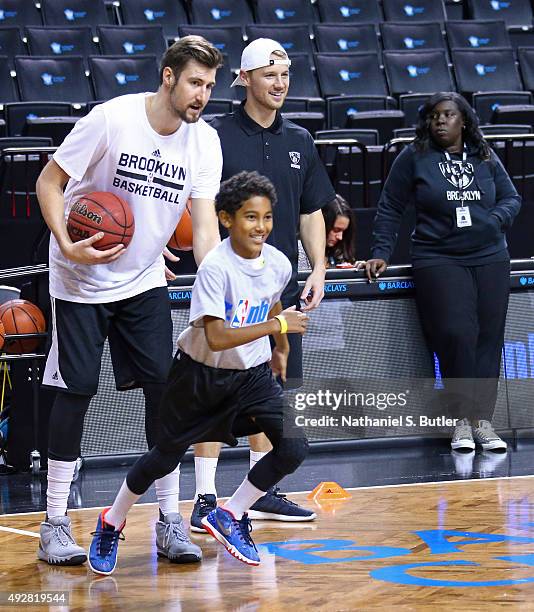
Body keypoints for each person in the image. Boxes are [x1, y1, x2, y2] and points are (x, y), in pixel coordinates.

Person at [36, 36, 224, 566]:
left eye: (209, 86)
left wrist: (214, 289)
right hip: (79, 276)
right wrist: (68, 243)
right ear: (168, 76)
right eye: (194, 83)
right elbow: (49, 183)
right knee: (76, 392)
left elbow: (204, 225)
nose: (202, 96)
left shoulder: (204, 142)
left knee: (165, 396)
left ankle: (168, 521)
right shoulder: (111, 120)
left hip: (143, 279)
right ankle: (53, 522)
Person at [87, 171, 310, 573]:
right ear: (226, 219)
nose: (261, 227)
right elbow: (219, 336)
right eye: (250, 217)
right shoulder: (215, 269)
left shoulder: (278, 262)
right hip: (199, 378)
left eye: (267, 217)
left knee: (294, 445)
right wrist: (278, 328)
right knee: (163, 457)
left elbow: (273, 302)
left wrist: (281, 349)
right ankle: (111, 520)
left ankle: (231, 512)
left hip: (252, 377)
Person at [190, 38, 336, 530]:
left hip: (278, 289)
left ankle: (258, 492)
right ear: (246, 79)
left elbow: (313, 210)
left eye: (286, 75)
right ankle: (205, 497)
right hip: (227, 288)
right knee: (213, 391)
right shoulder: (215, 135)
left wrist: (316, 267)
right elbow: (200, 208)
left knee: (273, 391)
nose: (280, 83)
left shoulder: (300, 140)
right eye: (270, 74)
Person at [366, 91, 521, 453]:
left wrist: (494, 220)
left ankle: (483, 421)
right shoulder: (414, 157)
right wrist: (381, 253)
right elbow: (390, 206)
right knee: (456, 334)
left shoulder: (483, 155)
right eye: (434, 115)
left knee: (486, 337)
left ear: (463, 120)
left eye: (448, 115)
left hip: (489, 256)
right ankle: (460, 421)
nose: (440, 121)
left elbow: (512, 197)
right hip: (438, 257)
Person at [323, 194, 360, 268]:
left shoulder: (340, 253)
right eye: (336, 230)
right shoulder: (301, 252)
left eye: (344, 231)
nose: (340, 237)